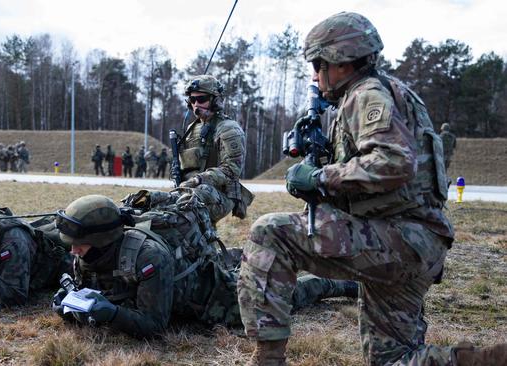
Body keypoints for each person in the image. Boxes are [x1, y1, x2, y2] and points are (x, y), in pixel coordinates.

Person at [236, 12, 506, 366]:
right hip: (413, 241)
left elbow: (393, 162)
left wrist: (318, 178)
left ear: (341, 63)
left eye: (319, 66)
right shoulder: (390, 92)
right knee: (391, 358)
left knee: (269, 234)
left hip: (399, 240)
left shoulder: (366, 95)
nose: (316, 76)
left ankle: (267, 359)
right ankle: (482, 361)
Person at [51, 194, 358, 338]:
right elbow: (95, 293)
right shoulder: (88, 253)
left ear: (104, 238)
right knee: (238, 260)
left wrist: (112, 314)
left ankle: (336, 282)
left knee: (277, 298)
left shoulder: (147, 258)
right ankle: (248, 257)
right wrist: (70, 304)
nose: (74, 251)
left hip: (213, 298)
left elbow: (154, 325)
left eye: (80, 243)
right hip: (184, 280)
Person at [175, 74, 253, 224]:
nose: (196, 104)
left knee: (187, 212)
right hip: (192, 188)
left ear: (214, 100)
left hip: (220, 192)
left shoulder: (228, 129)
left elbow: (232, 170)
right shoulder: (192, 128)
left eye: (202, 99)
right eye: (192, 100)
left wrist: (198, 179)